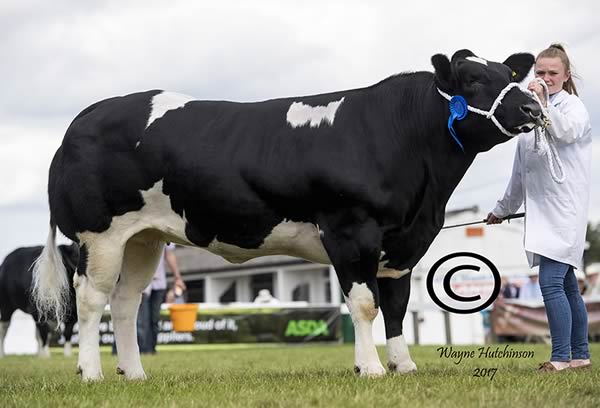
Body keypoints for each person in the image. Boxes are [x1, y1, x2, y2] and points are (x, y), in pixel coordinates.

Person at [486, 44, 592, 372]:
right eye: (540, 73)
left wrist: (543, 103)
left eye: (552, 74)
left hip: (565, 212)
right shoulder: (529, 115)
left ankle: (560, 358)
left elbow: (565, 131)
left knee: (550, 281)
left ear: (565, 76)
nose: (545, 79)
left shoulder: (573, 108)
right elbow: (521, 174)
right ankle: (581, 356)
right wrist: (502, 209)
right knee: (566, 285)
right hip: (541, 214)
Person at [137, 243, 185, 354]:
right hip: (142, 283)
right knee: (142, 321)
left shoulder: (164, 234)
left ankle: (152, 349)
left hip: (159, 283)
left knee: (154, 319)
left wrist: (177, 277)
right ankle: (143, 350)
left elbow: (169, 255)